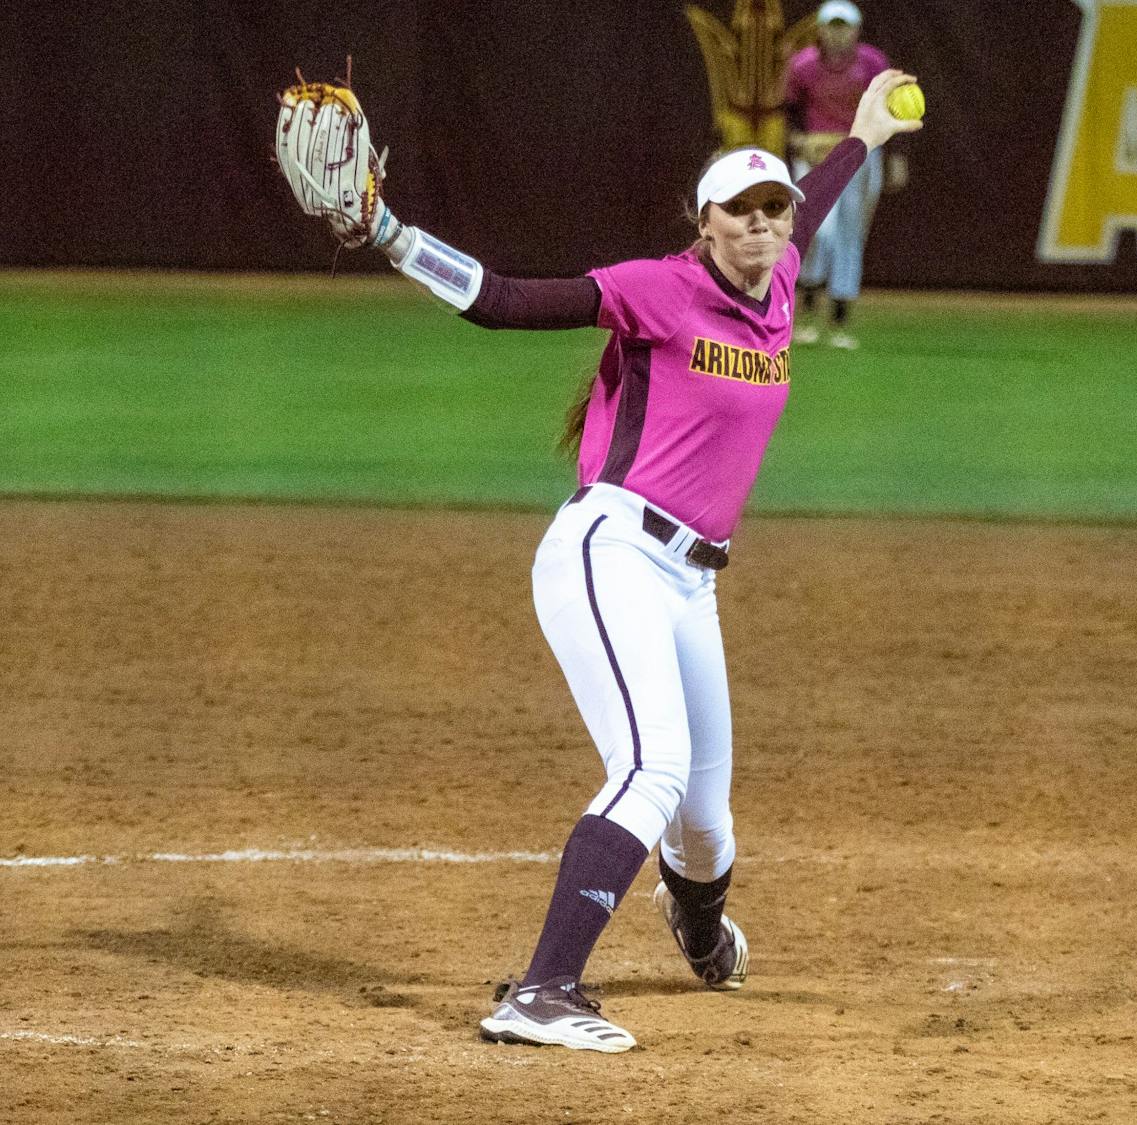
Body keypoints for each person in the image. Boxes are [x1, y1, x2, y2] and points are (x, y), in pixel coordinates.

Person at [282, 70, 921, 1052]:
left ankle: (700, 936)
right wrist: (389, 236)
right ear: (704, 224)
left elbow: (820, 195)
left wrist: (862, 140)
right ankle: (541, 993)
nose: (760, 226)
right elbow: (501, 301)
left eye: (773, 210)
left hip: (693, 581)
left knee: (706, 826)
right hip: (610, 549)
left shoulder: (783, 279)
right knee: (651, 767)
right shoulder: (659, 288)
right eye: (738, 211)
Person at [784, 0, 910, 350]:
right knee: (817, 233)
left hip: (861, 151)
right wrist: (796, 142)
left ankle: (839, 320)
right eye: (832, 26)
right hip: (817, 155)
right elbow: (791, 111)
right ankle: (806, 313)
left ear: (856, 30)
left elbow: (892, 109)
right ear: (821, 30)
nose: (837, 33)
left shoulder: (872, 63)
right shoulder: (804, 65)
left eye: (844, 26)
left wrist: (895, 155)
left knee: (849, 235)